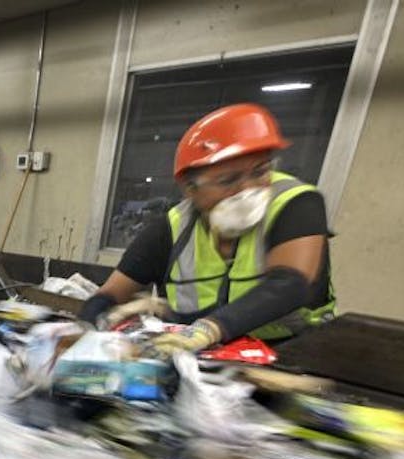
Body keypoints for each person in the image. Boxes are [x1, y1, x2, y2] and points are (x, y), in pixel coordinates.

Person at [79, 103, 336, 354]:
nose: (248, 190)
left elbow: (289, 284)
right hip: (203, 358)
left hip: (294, 353)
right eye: (228, 180)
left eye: (260, 172)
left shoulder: (296, 203)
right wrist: (87, 328)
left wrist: (209, 329)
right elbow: (110, 294)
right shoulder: (172, 229)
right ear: (190, 188)